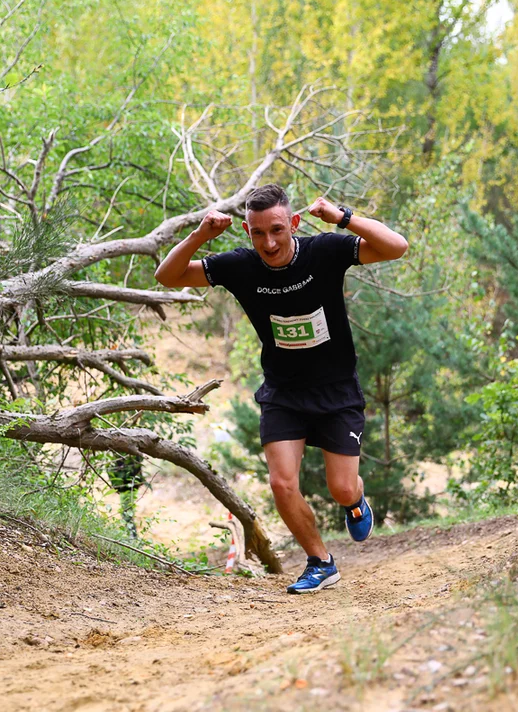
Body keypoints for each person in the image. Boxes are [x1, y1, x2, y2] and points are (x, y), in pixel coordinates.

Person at [154, 184, 408, 593]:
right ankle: (320, 561)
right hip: (284, 393)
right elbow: (167, 277)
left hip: (336, 390)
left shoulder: (323, 251)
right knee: (281, 482)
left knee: (341, 487)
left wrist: (343, 216)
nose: (268, 242)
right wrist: (200, 235)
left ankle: (356, 501)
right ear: (246, 231)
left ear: (293, 223)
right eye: (258, 233)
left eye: (276, 230)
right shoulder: (239, 265)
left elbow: (396, 246)